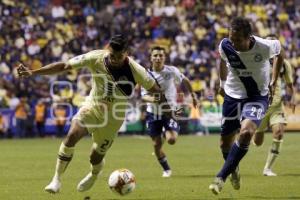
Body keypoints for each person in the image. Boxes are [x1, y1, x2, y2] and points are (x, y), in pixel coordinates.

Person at [17, 35, 164, 193]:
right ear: (108, 49)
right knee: (72, 135)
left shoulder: (136, 70)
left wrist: (159, 104)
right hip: (92, 107)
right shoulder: (96, 57)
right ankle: (56, 180)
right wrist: (33, 72)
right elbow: (64, 66)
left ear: (126, 53)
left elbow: (157, 91)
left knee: (95, 156)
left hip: (114, 118)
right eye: (112, 55)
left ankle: (95, 174)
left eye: (119, 56)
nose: (114, 59)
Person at [209, 17, 284, 195]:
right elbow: (222, 60)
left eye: (238, 40)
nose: (233, 44)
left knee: (246, 133)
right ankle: (233, 168)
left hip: (256, 96)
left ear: (249, 37)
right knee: (224, 144)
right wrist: (221, 82)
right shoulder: (225, 45)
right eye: (231, 39)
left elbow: (280, 53)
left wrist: (274, 80)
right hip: (232, 96)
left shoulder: (265, 46)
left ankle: (221, 177)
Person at [141, 46, 198, 177]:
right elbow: (143, 96)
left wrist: (194, 96)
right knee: (156, 146)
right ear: (151, 58)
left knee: (171, 139)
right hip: (153, 113)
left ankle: (165, 133)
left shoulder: (171, 71)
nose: (158, 58)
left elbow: (186, 80)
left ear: (164, 57)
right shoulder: (146, 76)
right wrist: (155, 99)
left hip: (170, 112)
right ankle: (166, 169)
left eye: (161, 55)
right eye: (155, 55)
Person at [253, 36, 295, 176]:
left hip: (277, 105)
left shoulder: (284, 63)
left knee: (279, 133)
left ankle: (267, 168)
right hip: (260, 105)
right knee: (257, 141)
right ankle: (258, 131)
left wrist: (292, 97)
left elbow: (289, 84)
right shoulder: (258, 60)